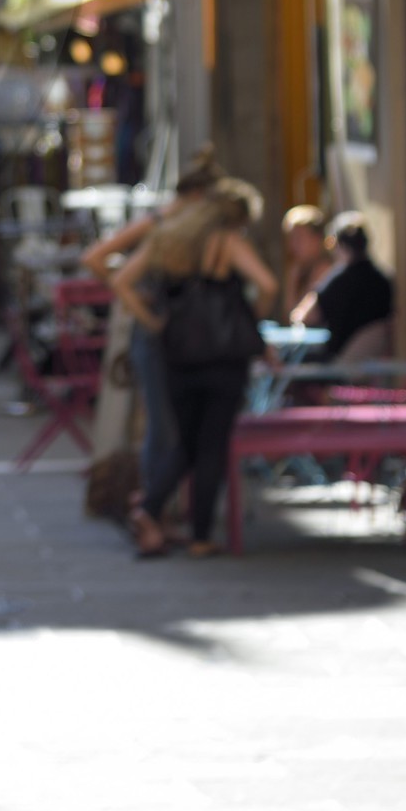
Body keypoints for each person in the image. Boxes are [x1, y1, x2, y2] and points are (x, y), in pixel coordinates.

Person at [120, 181, 278, 558]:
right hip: (223, 359)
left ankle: (148, 508)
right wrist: (248, 317)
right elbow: (268, 284)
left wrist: (152, 321)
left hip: (177, 355)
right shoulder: (228, 242)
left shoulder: (170, 240)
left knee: (187, 443)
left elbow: (120, 280)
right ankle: (201, 535)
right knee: (211, 445)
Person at [84, 146, 223, 501]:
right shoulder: (160, 224)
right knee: (160, 425)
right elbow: (97, 259)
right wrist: (142, 298)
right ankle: (152, 504)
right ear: (196, 197)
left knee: (174, 423)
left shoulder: (184, 229)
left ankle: (165, 503)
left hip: (179, 332)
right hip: (158, 332)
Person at [293, 212, 394, 363]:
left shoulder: (339, 279)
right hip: (372, 367)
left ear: (338, 245)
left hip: (339, 366)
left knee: (293, 361)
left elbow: (305, 317)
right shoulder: (384, 280)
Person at [281, 203, 332, 323]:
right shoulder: (299, 269)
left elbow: (303, 317)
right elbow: (288, 314)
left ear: (317, 239)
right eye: (290, 239)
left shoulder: (326, 270)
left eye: (299, 238)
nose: (293, 245)